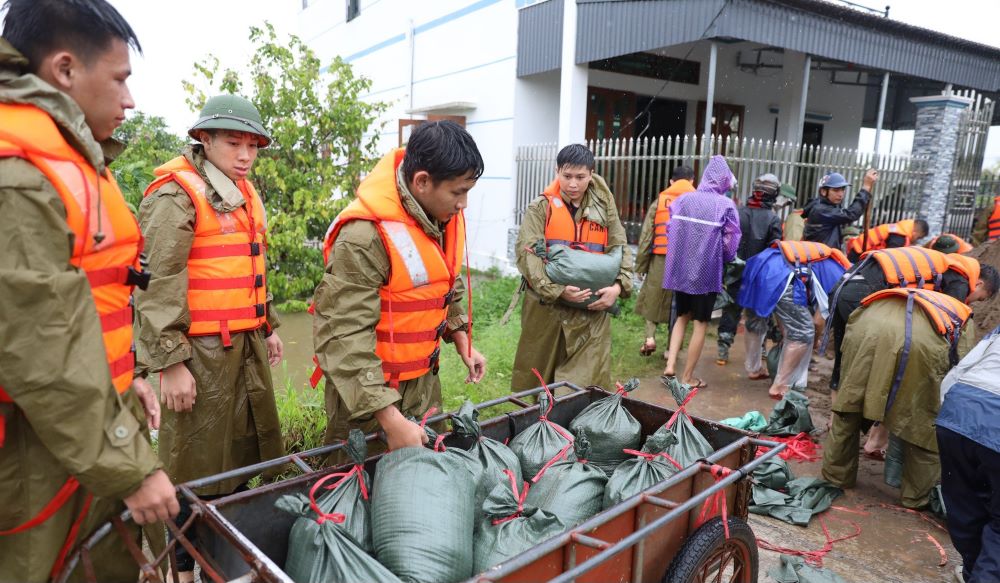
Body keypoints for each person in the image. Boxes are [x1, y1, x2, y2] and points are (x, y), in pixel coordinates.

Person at [0, 1, 179, 580]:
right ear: (65, 69)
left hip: (84, 433)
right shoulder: (18, 176)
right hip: (35, 454)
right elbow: (43, 347)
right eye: (121, 79)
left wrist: (130, 383)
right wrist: (129, 466)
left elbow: (94, 311)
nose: (129, 100)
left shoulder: (74, 159)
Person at [137, 94, 285, 581]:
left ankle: (222, 561)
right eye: (232, 141)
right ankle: (180, 570)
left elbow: (247, 266)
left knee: (242, 456)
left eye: (252, 145)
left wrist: (270, 325)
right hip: (198, 354)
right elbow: (159, 283)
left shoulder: (241, 189)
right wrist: (170, 363)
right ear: (204, 138)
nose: (244, 154)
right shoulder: (176, 195)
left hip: (243, 347)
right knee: (189, 468)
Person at [314, 121, 487, 458]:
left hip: (423, 387)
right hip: (366, 398)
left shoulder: (441, 217)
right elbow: (342, 335)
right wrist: (389, 419)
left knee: (419, 487)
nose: (464, 204)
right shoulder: (364, 237)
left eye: (469, 191)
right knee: (355, 492)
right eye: (457, 192)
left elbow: (444, 283)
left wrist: (462, 339)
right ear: (422, 182)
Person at [822, 288, 975, 510]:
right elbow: (960, 369)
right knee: (924, 423)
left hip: (866, 325)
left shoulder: (901, 294)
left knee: (850, 406)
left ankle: (836, 477)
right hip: (921, 343)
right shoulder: (964, 316)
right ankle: (915, 497)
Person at [511, 144, 632, 390]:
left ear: (591, 173)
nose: (573, 184)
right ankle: (543, 426)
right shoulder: (540, 208)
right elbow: (527, 255)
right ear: (557, 171)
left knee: (583, 389)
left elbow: (621, 247)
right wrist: (556, 290)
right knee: (540, 385)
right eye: (567, 177)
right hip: (548, 311)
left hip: (591, 314)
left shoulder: (605, 207)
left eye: (580, 177)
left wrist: (618, 288)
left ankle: (572, 428)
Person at [825, 247, 998, 392]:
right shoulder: (960, 282)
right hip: (862, 291)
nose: (972, 302)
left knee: (844, 353)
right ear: (979, 284)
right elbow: (950, 329)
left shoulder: (947, 267)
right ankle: (869, 409)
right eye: (980, 298)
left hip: (844, 285)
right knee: (877, 355)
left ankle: (835, 420)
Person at [661, 155, 741, 388]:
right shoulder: (725, 205)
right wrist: (726, 259)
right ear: (724, 181)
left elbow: (669, 230)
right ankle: (687, 378)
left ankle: (670, 365)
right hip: (706, 273)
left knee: (681, 316)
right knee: (700, 322)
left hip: (681, 269)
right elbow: (731, 240)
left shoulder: (683, 200)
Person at [738, 241, 850, 397]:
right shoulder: (842, 283)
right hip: (782, 277)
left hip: (759, 266)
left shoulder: (833, 265)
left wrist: (787, 332)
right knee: (803, 332)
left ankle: (753, 368)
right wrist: (815, 341)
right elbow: (817, 322)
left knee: (755, 321)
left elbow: (784, 313)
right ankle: (780, 386)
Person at [937, 324, 1000, 582]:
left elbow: (960, 370)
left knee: (965, 507)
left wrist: (948, 414)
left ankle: (973, 571)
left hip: (959, 410)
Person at [716, 173, 784, 366]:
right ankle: (760, 349)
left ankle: (722, 350)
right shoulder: (773, 219)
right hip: (759, 275)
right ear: (774, 194)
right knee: (759, 312)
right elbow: (775, 251)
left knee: (731, 310)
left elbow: (725, 241)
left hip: (734, 271)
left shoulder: (737, 212)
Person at [634, 165, 695, 358]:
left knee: (653, 296)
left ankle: (650, 338)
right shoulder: (699, 202)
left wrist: (641, 264)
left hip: (661, 257)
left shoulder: (660, 201)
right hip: (686, 260)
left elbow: (646, 236)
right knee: (678, 304)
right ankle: (671, 349)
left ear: (671, 182)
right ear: (692, 181)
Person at [802, 170, 874, 248]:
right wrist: (866, 188)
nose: (840, 194)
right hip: (821, 257)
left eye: (843, 189)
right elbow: (851, 214)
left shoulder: (831, 205)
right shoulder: (821, 210)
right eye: (836, 190)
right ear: (823, 192)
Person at [845, 218, 929, 262]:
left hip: (856, 250)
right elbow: (889, 258)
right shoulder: (899, 238)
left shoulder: (897, 228)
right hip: (858, 257)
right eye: (918, 238)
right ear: (915, 233)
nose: (916, 241)